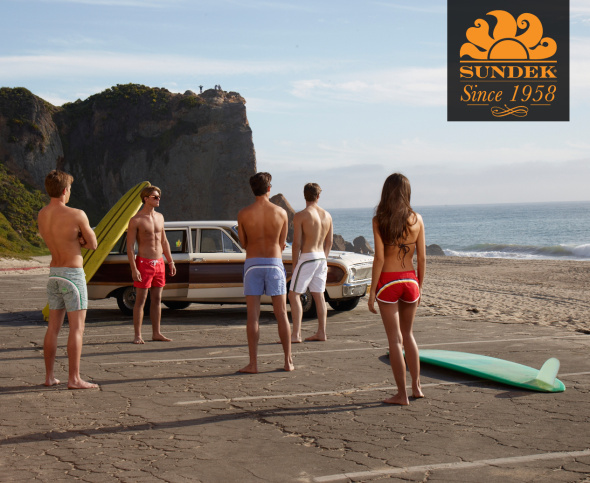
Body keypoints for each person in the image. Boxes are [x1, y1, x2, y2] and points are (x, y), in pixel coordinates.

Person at [368, 173, 426, 405]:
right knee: (408, 335)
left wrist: (372, 291)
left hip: (388, 282)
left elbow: (379, 259)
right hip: (410, 281)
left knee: (395, 340)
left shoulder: (379, 220)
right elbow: (422, 258)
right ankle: (417, 387)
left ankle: (401, 395)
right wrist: (419, 286)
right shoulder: (417, 219)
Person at [38, 169, 99, 389]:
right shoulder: (77, 214)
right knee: (76, 328)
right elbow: (93, 244)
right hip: (72, 275)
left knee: (53, 327)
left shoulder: (42, 214)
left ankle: (49, 377)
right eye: (70, 188)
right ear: (65, 190)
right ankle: (74, 378)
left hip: (54, 273)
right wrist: (80, 240)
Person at [237, 172, 294, 373]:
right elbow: (282, 243)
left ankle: (253, 364)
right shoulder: (281, 213)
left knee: (253, 316)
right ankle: (288, 361)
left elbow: (244, 243)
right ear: (269, 188)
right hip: (274, 263)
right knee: (281, 314)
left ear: (252, 189)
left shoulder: (243, 213)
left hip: (253, 264)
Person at [127, 185, 176, 344]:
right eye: (155, 197)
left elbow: (164, 241)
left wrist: (170, 261)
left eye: (159, 196)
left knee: (157, 299)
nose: (158, 199)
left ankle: (157, 333)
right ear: (146, 199)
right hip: (144, 262)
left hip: (159, 262)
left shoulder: (160, 217)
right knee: (141, 300)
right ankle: (137, 335)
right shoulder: (136, 220)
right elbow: (130, 246)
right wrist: (134, 268)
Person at [288, 183, 333, 342]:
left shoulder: (301, 215)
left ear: (304, 195)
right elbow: (329, 242)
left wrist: (294, 264)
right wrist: (324, 259)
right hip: (321, 257)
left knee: (293, 294)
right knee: (319, 295)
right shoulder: (327, 215)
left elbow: (296, 244)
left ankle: (296, 334)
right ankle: (321, 332)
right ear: (318, 196)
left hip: (308, 257)